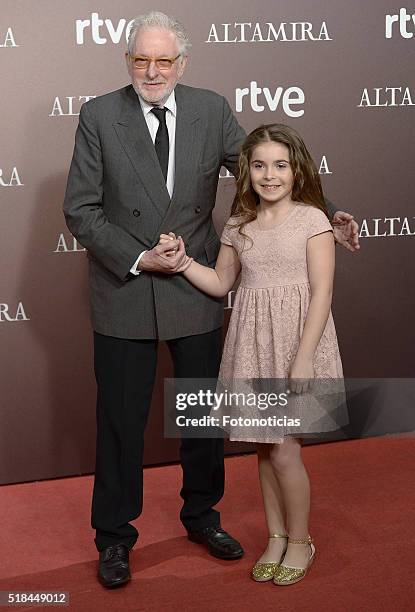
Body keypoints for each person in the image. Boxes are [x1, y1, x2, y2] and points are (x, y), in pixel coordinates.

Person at [63, 10, 358, 589]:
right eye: (141, 59)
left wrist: (328, 214)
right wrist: (141, 256)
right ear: (128, 62)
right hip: (124, 290)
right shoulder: (99, 114)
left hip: (194, 288)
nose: (153, 70)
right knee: (120, 424)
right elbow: (81, 210)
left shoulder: (211, 109)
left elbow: (267, 171)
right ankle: (115, 538)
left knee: (202, 421)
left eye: (164, 60)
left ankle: (202, 517)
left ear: (182, 63)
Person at [160, 123, 345, 586]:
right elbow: (222, 282)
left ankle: (301, 541)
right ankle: (276, 537)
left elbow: (322, 293)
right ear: (246, 171)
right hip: (253, 343)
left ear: (296, 169)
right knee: (263, 448)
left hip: (297, 343)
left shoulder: (312, 219)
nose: (270, 175)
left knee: (284, 450)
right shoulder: (239, 225)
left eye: (280, 165)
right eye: (260, 165)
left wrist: (303, 358)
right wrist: (184, 263)